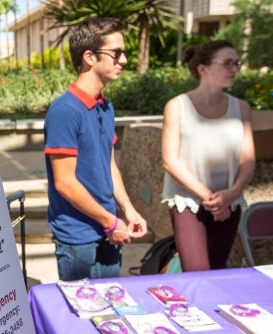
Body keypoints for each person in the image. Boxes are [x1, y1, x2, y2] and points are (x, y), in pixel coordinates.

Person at [44, 17, 148, 281]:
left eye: (123, 53)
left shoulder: (105, 106)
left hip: (109, 228)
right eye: (116, 53)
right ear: (89, 57)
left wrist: (128, 209)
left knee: (111, 309)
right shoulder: (65, 111)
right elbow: (65, 183)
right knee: (82, 314)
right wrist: (110, 222)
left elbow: (108, 164)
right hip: (78, 237)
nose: (123, 60)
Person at [161, 40, 256, 272]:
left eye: (236, 63)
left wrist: (231, 194)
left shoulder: (241, 108)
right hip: (189, 203)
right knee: (197, 273)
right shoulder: (177, 106)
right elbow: (169, 161)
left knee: (217, 269)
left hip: (229, 203)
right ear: (202, 69)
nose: (234, 69)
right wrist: (211, 198)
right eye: (227, 63)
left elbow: (248, 159)